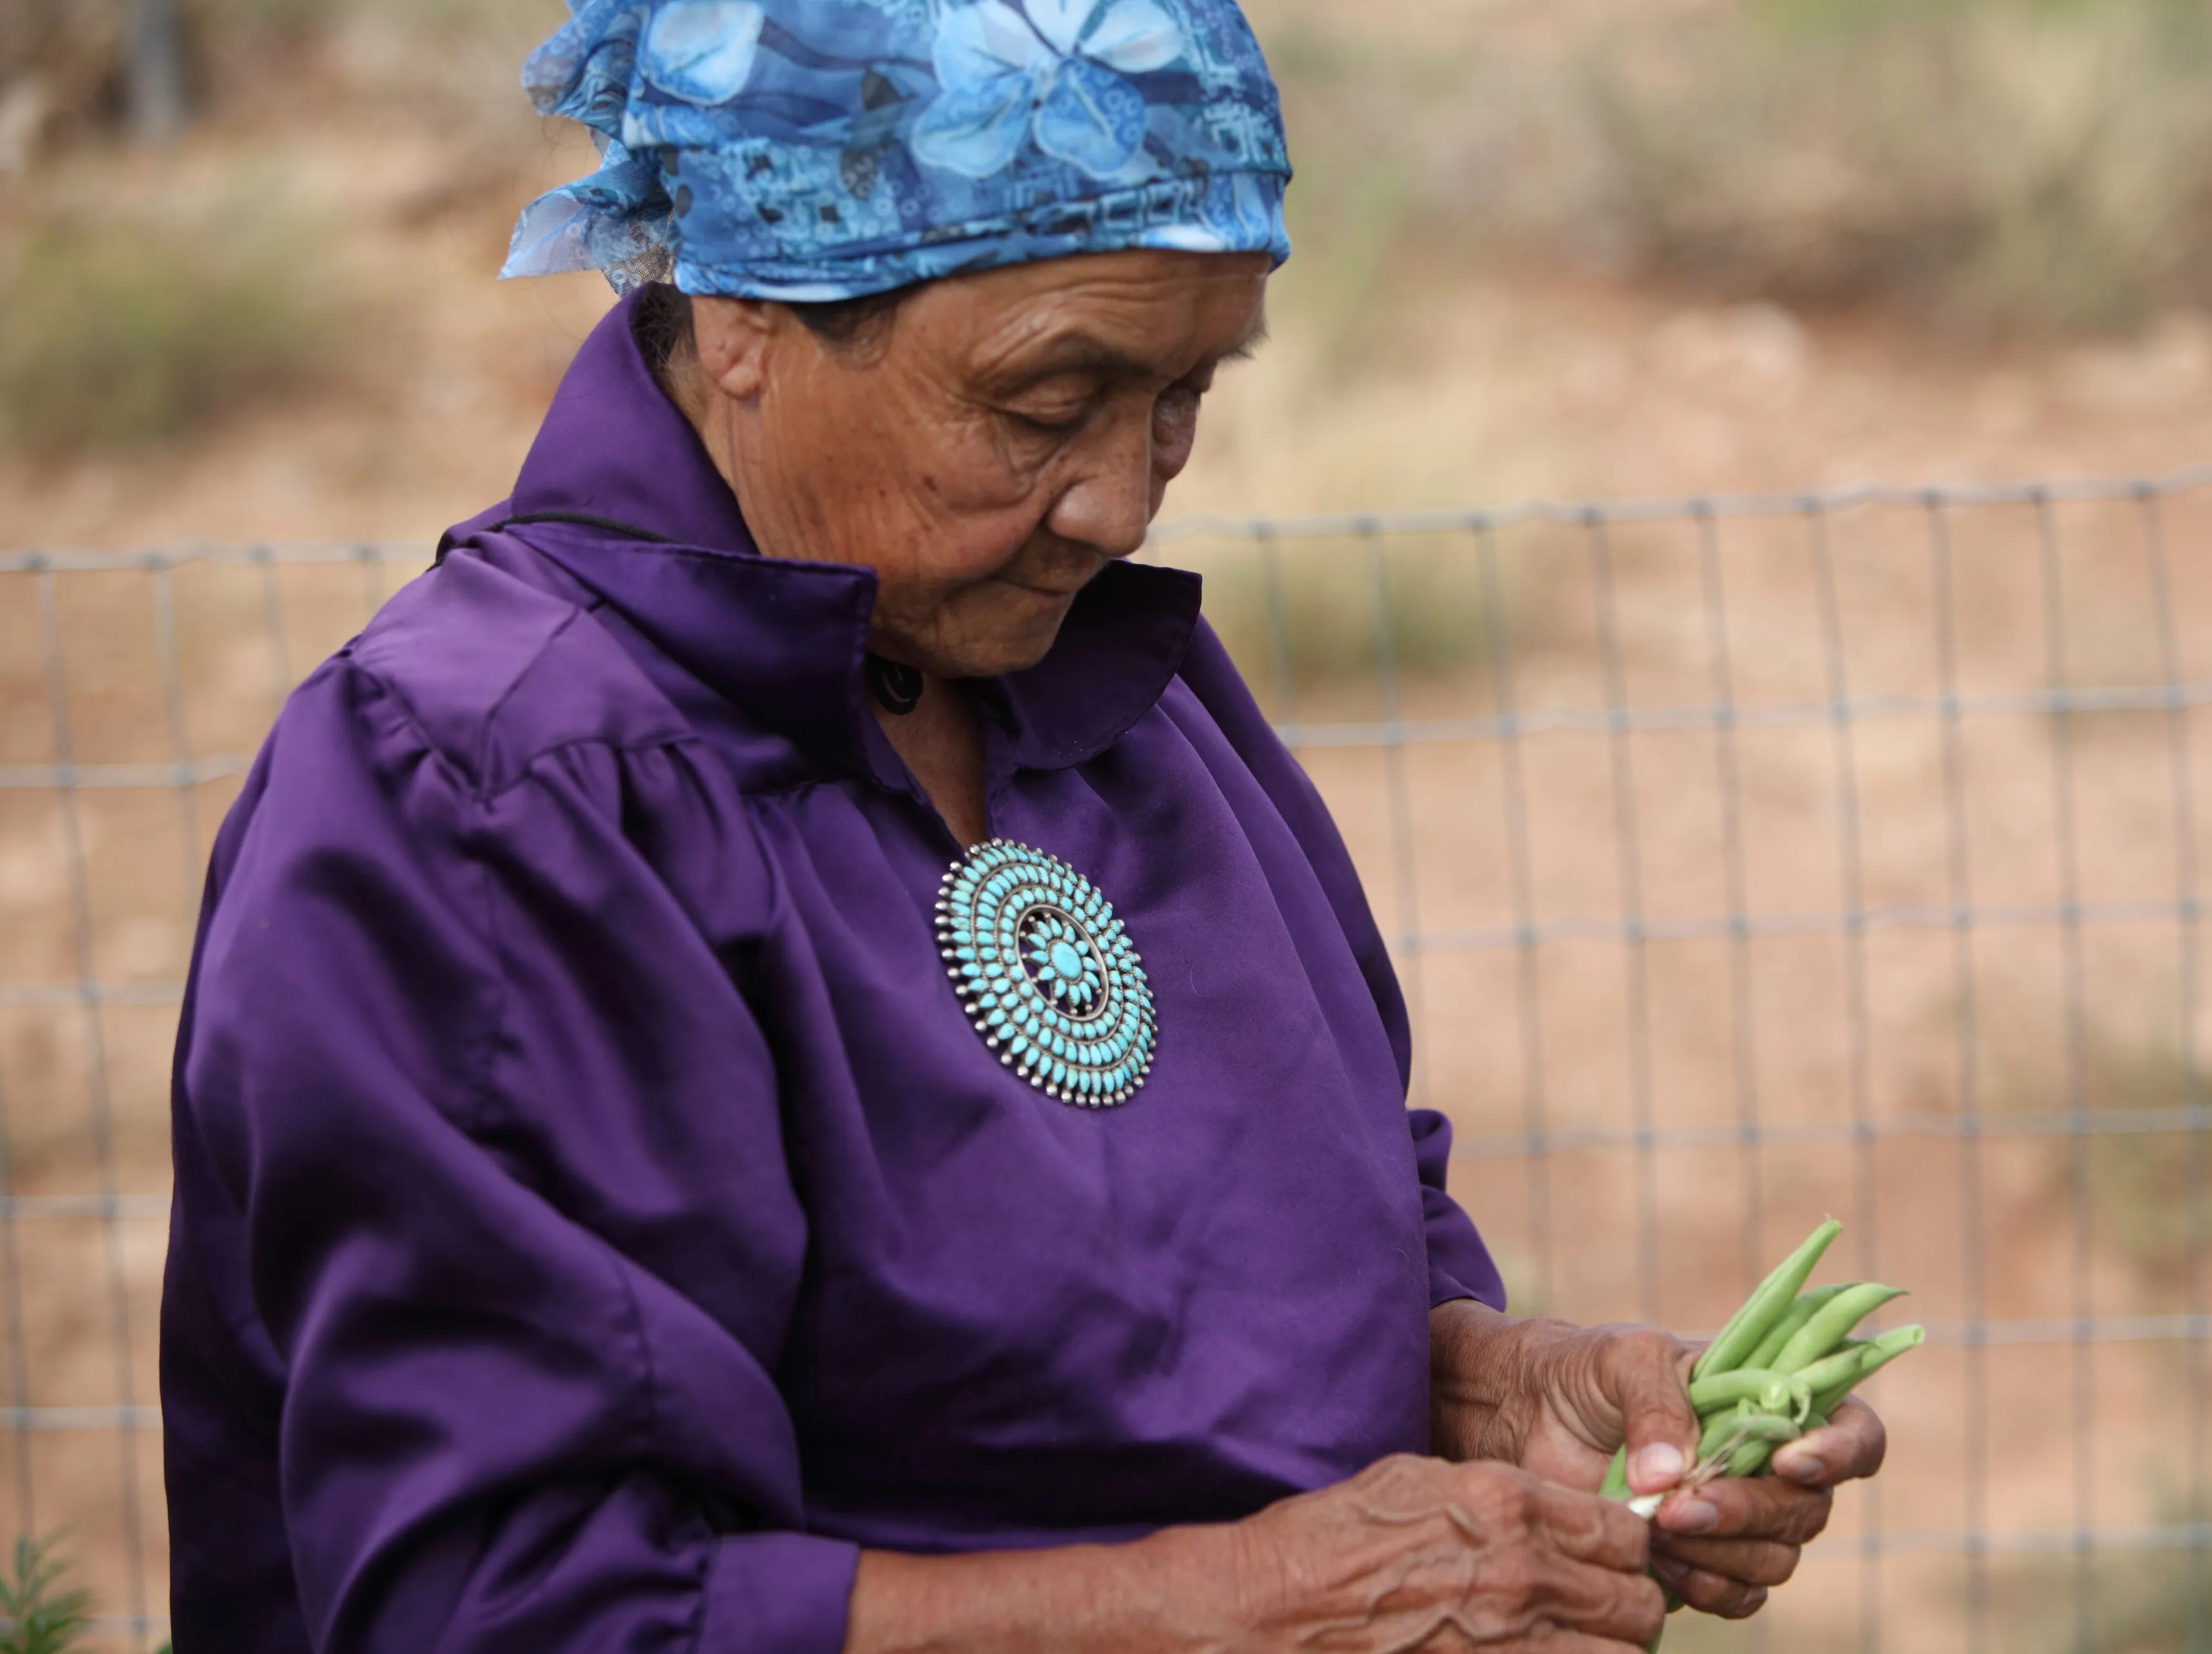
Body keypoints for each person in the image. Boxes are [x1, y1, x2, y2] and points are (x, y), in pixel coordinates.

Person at [160, 2, 1887, 1649]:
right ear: (748, 312)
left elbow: (1278, 1260)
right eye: (1045, 407)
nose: (1121, 500)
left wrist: (1489, 1389)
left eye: (1186, 396)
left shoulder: (1123, 691)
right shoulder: (490, 797)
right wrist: (1249, 1618)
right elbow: (520, 1610)